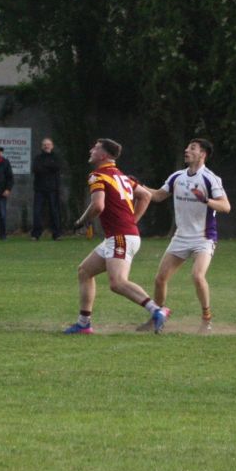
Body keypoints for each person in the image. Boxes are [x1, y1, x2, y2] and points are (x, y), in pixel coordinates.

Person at [63, 138, 168, 335]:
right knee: (85, 271)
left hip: (120, 236)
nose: (91, 150)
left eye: (95, 148)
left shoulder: (97, 176)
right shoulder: (123, 176)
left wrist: (81, 221)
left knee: (117, 282)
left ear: (103, 155)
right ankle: (84, 323)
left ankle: (157, 310)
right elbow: (145, 196)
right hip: (122, 235)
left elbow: (98, 206)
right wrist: (132, 221)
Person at [143, 137, 231, 333]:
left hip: (204, 237)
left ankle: (206, 318)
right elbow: (157, 195)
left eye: (192, 148)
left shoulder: (210, 178)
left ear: (203, 154)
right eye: (187, 147)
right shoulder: (177, 177)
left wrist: (205, 200)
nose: (186, 150)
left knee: (198, 276)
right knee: (160, 279)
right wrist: (135, 186)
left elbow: (226, 206)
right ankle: (156, 317)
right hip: (181, 237)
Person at [30, 137, 63, 240]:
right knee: (37, 211)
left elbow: (57, 167)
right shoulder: (38, 158)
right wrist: (49, 167)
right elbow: (36, 169)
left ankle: (56, 234)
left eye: (48, 144)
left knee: (54, 211)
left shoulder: (56, 157)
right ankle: (36, 234)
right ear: (42, 146)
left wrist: (45, 167)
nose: (46, 146)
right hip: (39, 189)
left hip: (53, 189)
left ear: (52, 146)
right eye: (44, 144)